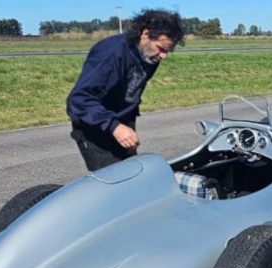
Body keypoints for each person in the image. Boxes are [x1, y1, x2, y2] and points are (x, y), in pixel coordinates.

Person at [67, 9, 184, 171]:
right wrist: (114, 126)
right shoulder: (111, 54)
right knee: (113, 184)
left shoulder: (150, 56)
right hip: (95, 126)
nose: (164, 56)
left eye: (168, 51)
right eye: (161, 48)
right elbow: (79, 99)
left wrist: (126, 121)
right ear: (145, 34)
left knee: (132, 177)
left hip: (121, 122)